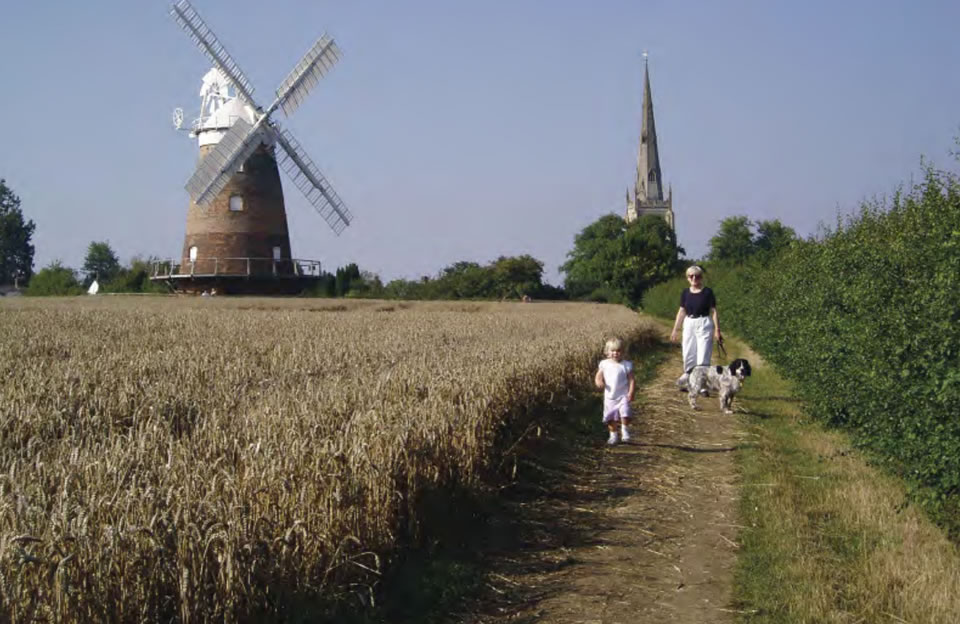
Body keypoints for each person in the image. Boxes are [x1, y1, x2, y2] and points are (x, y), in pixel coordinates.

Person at [670, 265, 722, 389]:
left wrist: (717, 330)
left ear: (701, 277)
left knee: (703, 354)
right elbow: (682, 311)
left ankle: (702, 384)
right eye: (691, 276)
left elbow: (714, 311)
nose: (694, 278)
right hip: (689, 323)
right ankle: (688, 379)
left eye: (697, 276)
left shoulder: (707, 292)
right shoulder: (685, 293)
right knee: (688, 353)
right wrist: (675, 329)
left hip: (704, 322)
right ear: (687, 278)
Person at [594, 337, 635, 445]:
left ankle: (625, 431)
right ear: (607, 352)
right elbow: (599, 375)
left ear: (623, 352)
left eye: (618, 351)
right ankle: (613, 435)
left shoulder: (626, 364)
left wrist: (631, 392)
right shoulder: (604, 364)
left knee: (625, 414)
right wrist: (598, 381)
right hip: (610, 397)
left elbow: (631, 380)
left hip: (623, 395)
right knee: (610, 418)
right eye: (613, 351)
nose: (615, 353)